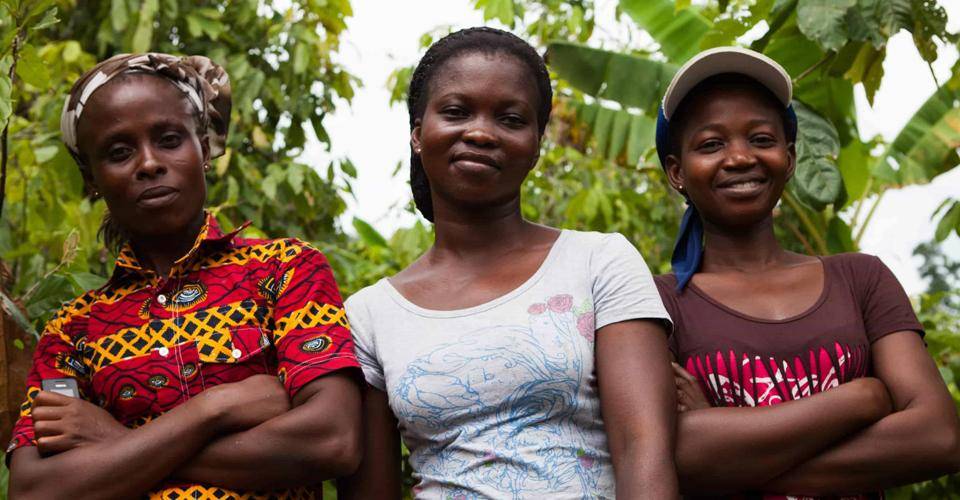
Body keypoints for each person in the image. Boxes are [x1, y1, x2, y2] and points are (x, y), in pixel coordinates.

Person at [339, 27, 678, 500]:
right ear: (418, 134)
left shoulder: (599, 262)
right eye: (456, 112)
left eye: (511, 119)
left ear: (536, 144)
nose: (480, 132)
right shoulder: (370, 314)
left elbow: (645, 450)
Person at [7, 53, 362, 499]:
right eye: (119, 152)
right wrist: (215, 409)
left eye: (170, 140)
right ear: (91, 178)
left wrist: (113, 439)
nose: (148, 163)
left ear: (204, 148)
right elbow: (34, 490)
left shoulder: (285, 270)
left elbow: (332, 440)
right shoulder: (72, 330)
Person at [653, 46, 960, 498]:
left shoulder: (861, 280)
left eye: (761, 139)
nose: (740, 158)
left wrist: (729, 460)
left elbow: (938, 437)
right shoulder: (656, 303)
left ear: (791, 157)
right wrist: (861, 399)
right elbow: (669, 454)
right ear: (677, 172)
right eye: (711, 144)